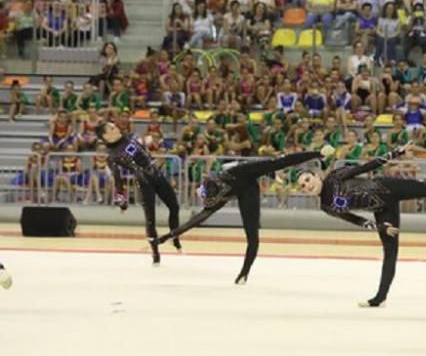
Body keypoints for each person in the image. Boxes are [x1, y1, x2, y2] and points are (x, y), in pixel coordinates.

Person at [295, 143, 426, 308]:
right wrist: (381, 227)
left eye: (307, 180)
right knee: (390, 252)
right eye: (303, 186)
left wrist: (396, 152)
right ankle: (380, 297)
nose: (307, 185)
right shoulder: (326, 207)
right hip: (381, 210)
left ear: (316, 175)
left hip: (388, 188)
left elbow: (367, 166)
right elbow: (357, 220)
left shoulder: (335, 178)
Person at [155, 150, 329, 284]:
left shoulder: (240, 171)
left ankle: (244, 273)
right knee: (250, 235)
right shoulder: (218, 191)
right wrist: (170, 235)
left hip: (248, 182)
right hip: (237, 187)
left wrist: (316, 154)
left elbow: (284, 161)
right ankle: (244, 274)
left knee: (252, 235)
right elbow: (200, 217)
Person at [98, 121, 181, 265]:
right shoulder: (112, 156)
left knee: (175, 206)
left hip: (156, 174)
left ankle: (175, 237)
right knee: (150, 219)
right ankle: (155, 253)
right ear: (105, 135)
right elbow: (118, 182)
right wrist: (122, 203)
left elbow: (144, 153)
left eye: (114, 125)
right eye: (112, 127)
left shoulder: (128, 137)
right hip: (143, 182)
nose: (117, 127)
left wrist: (156, 159)